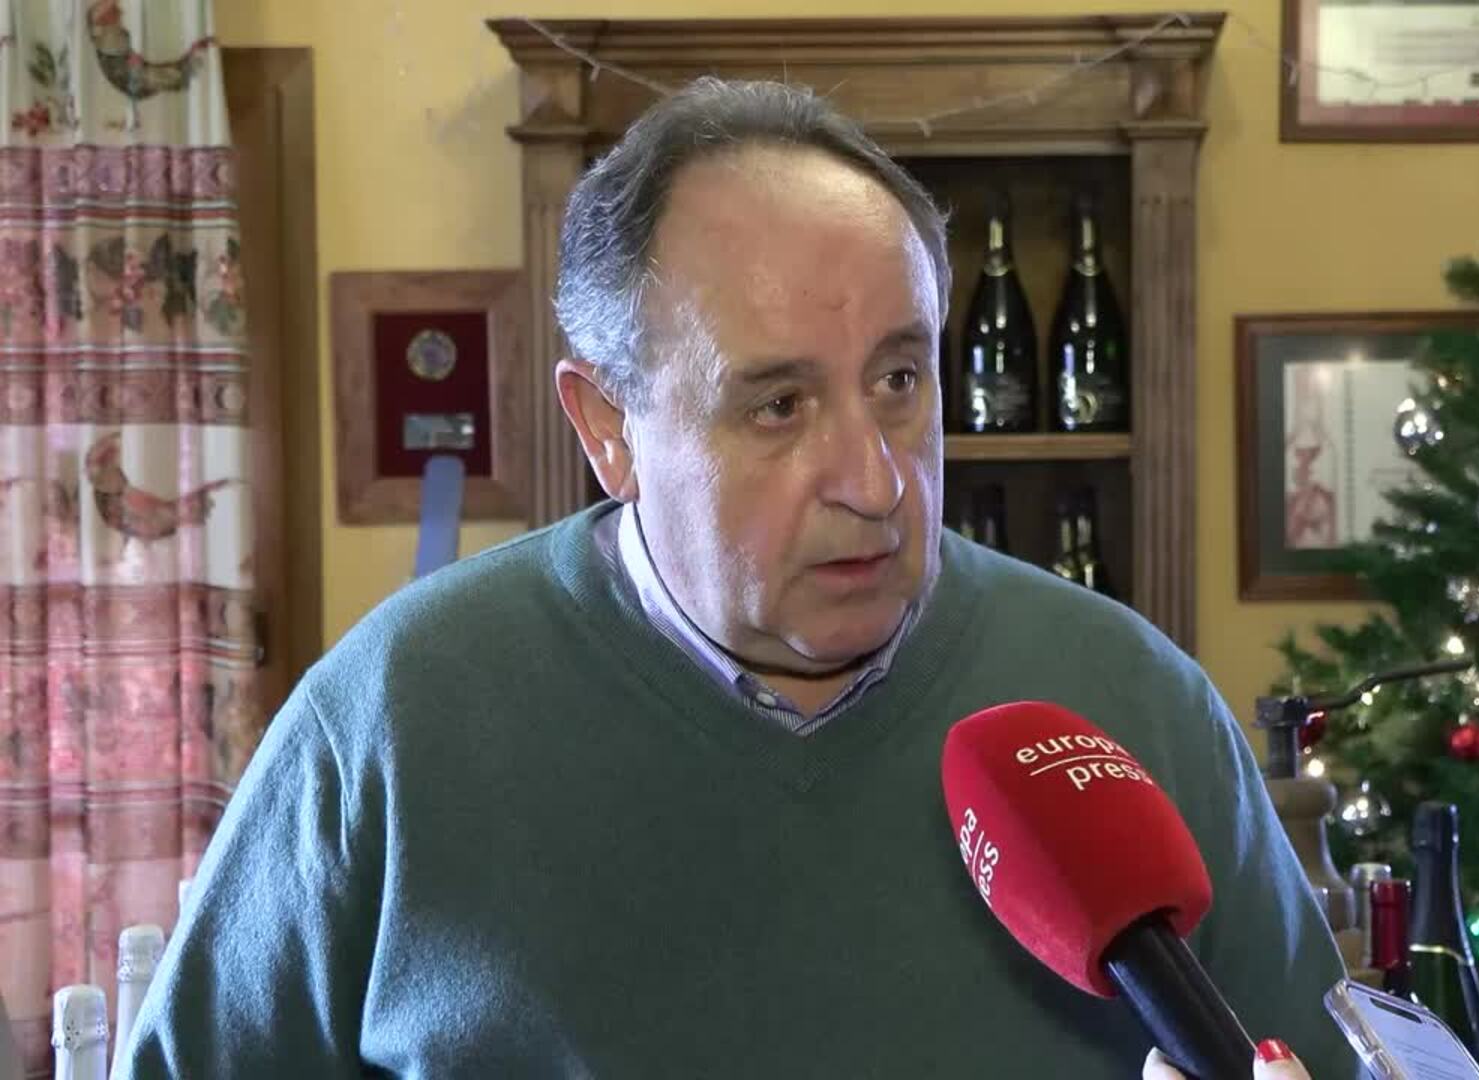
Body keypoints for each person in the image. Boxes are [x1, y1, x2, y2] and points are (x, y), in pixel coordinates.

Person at [122, 77, 1363, 1078]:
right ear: (608, 428)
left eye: (900, 378)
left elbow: (1313, 1053)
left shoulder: (1134, 702)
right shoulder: (390, 722)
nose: (874, 480)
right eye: (777, 404)